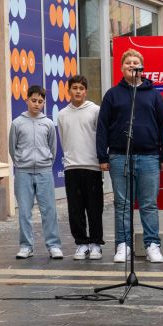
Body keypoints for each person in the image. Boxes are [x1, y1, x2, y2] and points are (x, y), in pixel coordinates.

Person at [96, 49, 163, 263]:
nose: (132, 65)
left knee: (148, 204)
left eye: (135, 62)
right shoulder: (112, 95)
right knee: (122, 204)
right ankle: (123, 245)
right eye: (128, 62)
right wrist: (102, 156)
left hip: (149, 158)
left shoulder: (154, 95)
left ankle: (152, 245)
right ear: (121, 68)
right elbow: (102, 126)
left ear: (142, 67)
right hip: (120, 156)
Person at [9, 85, 62, 259]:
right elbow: (12, 147)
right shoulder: (17, 123)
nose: (36, 104)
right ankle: (26, 246)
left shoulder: (47, 123)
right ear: (27, 100)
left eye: (40, 101)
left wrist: (45, 162)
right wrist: (20, 162)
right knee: (24, 211)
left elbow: (53, 148)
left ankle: (53, 245)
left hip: (44, 171)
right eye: (33, 100)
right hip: (23, 172)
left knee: (49, 210)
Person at [57, 75, 104, 260]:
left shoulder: (95, 111)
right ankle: (81, 243)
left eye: (81, 88)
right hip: (71, 167)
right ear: (68, 90)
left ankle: (95, 244)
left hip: (92, 166)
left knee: (94, 208)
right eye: (74, 88)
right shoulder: (62, 114)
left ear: (86, 91)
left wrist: (101, 158)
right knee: (75, 209)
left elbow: (100, 137)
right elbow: (63, 139)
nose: (77, 91)